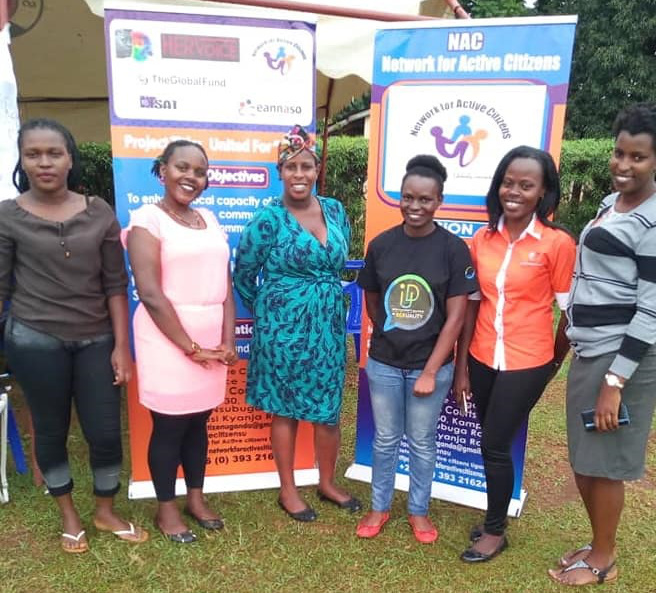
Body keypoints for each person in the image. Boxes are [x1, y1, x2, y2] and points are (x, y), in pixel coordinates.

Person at [549, 104, 656, 585]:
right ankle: (597, 541)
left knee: (604, 463)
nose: (623, 164)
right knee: (585, 457)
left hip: (624, 358)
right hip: (593, 349)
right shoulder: (614, 203)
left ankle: (603, 557)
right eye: (619, 152)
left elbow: (652, 313)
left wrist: (614, 382)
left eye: (638, 157)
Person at [0, 118, 148, 553]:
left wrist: (121, 346)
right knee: (51, 429)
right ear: (22, 161)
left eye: (54, 153)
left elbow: (115, 284)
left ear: (70, 160)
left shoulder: (99, 212)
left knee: (105, 431)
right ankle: (69, 515)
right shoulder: (7, 216)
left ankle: (105, 511)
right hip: (34, 339)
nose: (44, 162)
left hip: (96, 339)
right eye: (33, 154)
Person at [453, 146, 577, 562]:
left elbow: (570, 312)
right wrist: (462, 365)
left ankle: (494, 531)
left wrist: (553, 362)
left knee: (493, 443)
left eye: (526, 185)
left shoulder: (557, 244)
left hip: (528, 361)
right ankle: (494, 518)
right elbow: (472, 305)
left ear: (543, 192)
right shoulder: (482, 239)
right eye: (508, 182)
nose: (515, 192)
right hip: (482, 355)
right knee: (492, 442)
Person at [233, 125, 361, 522]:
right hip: (281, 331)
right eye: (291, 167)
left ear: (317, 169)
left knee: (328, 407)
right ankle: (288, 490)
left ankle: (327, 482)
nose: (299, 174)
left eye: (307, 166)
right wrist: (273, 311)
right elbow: (243, 275)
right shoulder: (268, 220)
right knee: (284, 409)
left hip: (327, 327)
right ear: (280, 171)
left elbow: (338, 260)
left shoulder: (335, 210)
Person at [355, 155, 477, 543]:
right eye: (408, 197)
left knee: (422, 442)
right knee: (385, 439)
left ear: (439, 201)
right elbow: (372, 298)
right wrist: (390, 333)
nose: (415, 206)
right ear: (400, 197)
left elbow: (456, 317)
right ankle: (379, 507)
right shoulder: (381, 245)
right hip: (385, 363)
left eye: (425, 199)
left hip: (431, 367)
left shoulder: (453, 250)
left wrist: (431, 370)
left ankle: (418, 511)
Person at [125, 140, 237, 543]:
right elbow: (150, 293)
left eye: (200, 171)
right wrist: (191, 348)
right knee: (170, 426)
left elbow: (225, 283)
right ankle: (166, 509)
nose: (191, 177)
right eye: (182, 167)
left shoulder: (209, 218)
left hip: (210, 337)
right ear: (163, 171)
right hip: (166, 338)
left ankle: (195, 498)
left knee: (199, 422)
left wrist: (227, 339)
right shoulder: (147, 220)